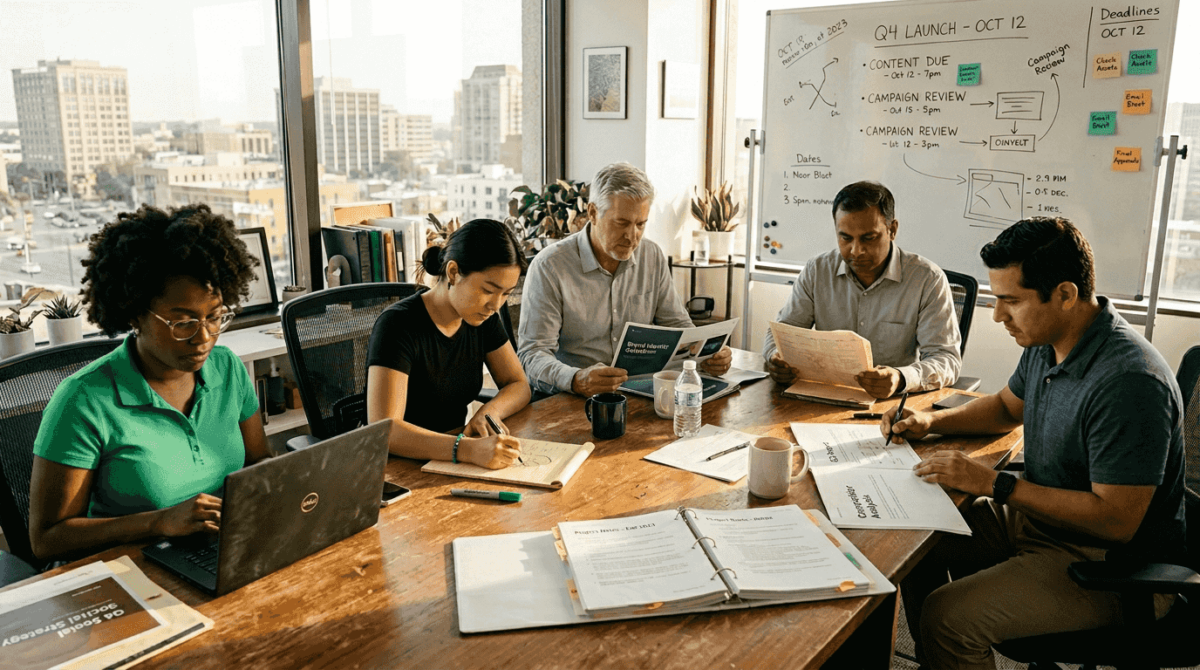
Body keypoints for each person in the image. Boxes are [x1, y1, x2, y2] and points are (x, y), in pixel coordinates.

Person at [885, 217, 1187, 670]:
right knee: (914, 539)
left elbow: (1116, 520)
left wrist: (996, 485)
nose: (997, 315)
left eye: (1011, 301)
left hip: (1110, 565)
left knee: (947, 618)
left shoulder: (1129, 382)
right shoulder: (1049, 339)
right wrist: (930, 421)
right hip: (1040, 524)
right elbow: (1007, 407)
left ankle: (946, 643)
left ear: (1065, 294)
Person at [28, 204, 271, 561]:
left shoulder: (227, 368)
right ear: (135, 313)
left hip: (218, 552)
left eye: (215, 317)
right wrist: (158, 522)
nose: (204, 337)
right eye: (182, 322)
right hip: (131, 568)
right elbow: (48, 539)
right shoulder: (83, 401)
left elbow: (258, 460)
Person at [518, 162, 732, 396]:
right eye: (621, 223)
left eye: (641, 224)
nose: (632, 237)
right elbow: (532, 355)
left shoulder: (651, 256)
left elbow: (678, 326)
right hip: (572, 398)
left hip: (641, 392)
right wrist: (576, 379)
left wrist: (707, 354)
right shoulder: (550, 266)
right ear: (592, 213)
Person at [762, 181, 961, 398]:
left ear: (892, 230)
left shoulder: (927, 279)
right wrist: (775, 357)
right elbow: (782, 331)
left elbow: (946, 360)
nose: (856, 251)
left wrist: (900, 377)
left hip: (890, 404)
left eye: (869, 238)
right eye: (845, 238)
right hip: (823, 396)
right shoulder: (817, 270)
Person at [366, 218, 527, 468]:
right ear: (453, 272)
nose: (496, 305)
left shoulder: (483, 319)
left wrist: (489, 412)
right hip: (397, 467)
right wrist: (467, 449)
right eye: (488, 290)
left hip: (451, 458)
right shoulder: (398, 325)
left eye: (506, 294)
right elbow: (386, 430)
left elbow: (518, 385)